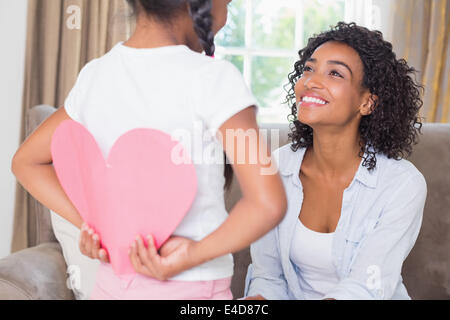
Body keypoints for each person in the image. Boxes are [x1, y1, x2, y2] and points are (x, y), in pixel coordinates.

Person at [11, 0, 287, 300]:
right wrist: (193, 253)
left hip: (110, 286)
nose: (227, 13)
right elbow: (267, 203)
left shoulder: (94, 76)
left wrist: (94, 225)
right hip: (192, 290)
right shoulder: (214, 79)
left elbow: (26, 162)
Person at [244, 22, 427, 300]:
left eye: (335, 73)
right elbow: (268, 277)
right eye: (309, 69)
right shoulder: (273, 169)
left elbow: (364, 289)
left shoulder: (401, 184)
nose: (311, 82)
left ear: (367, 103)